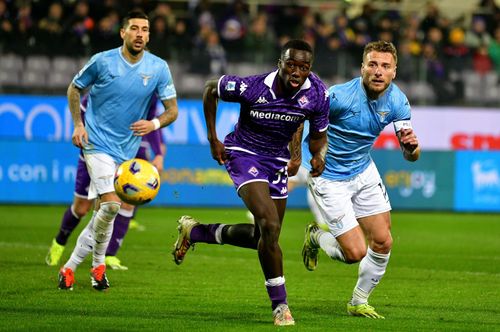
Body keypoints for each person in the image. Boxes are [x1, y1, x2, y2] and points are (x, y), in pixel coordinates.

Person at [172, 39, 330, 326]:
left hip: (277, 161)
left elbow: (311, 130)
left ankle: (196, 232)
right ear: (279, 63)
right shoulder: (253, 87)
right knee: (270, 225)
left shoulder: (318, 94)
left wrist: (313, 155)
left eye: (304, 67)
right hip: (244, 154)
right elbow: (210, 88)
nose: (296, 72)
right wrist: (212, 138)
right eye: (291, 64)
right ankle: (280, 306)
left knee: (264, 238)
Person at [57, 9, 178, 291]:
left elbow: (173, 111)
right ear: (122, 32)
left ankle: (89, 268)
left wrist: (154, 123)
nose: (140, 34)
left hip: (127, 150)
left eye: (145, 30)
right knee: (112, 205)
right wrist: (78, 125)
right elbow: (74, 89)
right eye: (134, 28)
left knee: (105, 210)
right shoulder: (102, 61)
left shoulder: (158, 67)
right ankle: (79, 267)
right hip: (96, 144)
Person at [299, 41, 420, 319]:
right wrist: (300, 156)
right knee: (354, 252)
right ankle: (316, 235)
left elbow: (410, 154)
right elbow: (301, 119)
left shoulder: (398, 101)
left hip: (363, 171)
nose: (378, 71)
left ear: (394, 72)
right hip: (328, 175)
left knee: (383, 241)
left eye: (385, 66)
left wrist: (412, 147)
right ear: (363, 67)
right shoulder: (339, 97)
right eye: (373, 64)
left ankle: (358, 301)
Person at [45, 95, 165, 271]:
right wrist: (82, 130)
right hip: (95, 153)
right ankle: (59, 242)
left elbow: (152, 121)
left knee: (122, 203)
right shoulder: (104, 84)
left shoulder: (149, 91)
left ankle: (109, 256)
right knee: (81, 208)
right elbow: (83, 111)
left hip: (124, 154)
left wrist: (159, 153)